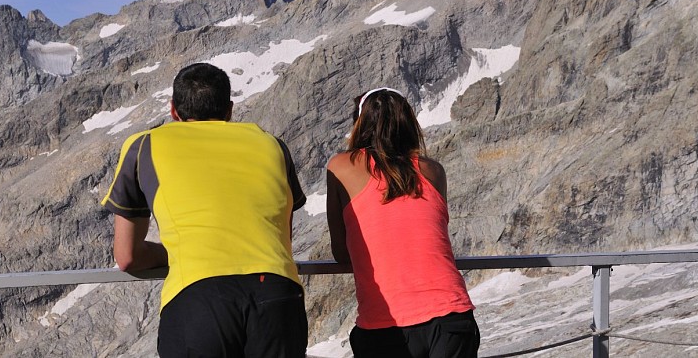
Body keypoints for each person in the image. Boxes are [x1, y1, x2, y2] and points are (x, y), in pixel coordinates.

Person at [101, 62, 308, 358]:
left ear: (174, 111)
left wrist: (171, 251)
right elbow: (281, 237)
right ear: (229, 110)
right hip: (277, 295)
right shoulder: (272, 145)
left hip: (199, 299)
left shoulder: (144, 145)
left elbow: (127, 256)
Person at [326, 87, 479, 358]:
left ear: (359, 124)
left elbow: (341, 252)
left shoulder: (340, 167)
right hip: (450, 316)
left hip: (384, 323)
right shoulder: (433, 171)